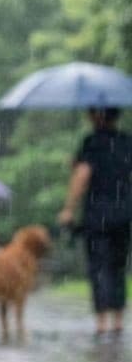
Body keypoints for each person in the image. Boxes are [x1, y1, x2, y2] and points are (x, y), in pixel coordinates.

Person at [58, 107, 132, 338]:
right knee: (118, 267)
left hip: (97, 216)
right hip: (124, 215)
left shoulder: (92, 143)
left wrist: (68, 209)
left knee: (99, 267)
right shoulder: (127, 141)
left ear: (98, 116)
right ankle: (118, 320)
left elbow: (82, 175)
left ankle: (102, 323)